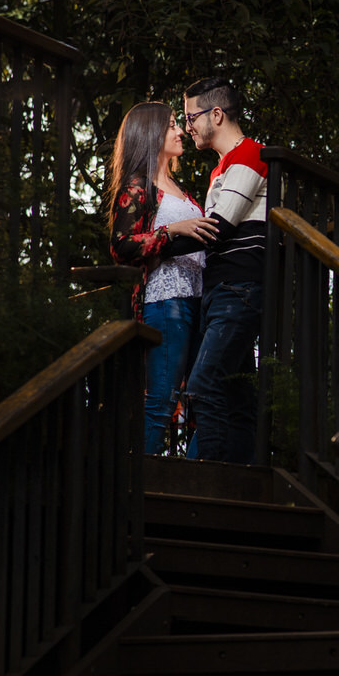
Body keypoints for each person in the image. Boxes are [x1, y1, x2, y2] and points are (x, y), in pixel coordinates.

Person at [106, 101, 218, 454]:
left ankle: (192, 479)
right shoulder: (138, 186)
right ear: (151, 133)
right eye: (171, 125)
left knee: (205, 399)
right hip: (165, 301)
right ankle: (138, 488)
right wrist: (170, 231)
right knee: (161, 401)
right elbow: (121, 245)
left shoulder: (177, 186)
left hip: (197, 299)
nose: (180, 130)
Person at [181, 77, 268, 464]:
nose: (188, 127)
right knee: (235, 393)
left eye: (191, 117)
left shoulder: (251, 154)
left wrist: (159, 240)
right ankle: (241, 481)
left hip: (239, 288)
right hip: (221, 290)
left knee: (204, 385)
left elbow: (219, 227)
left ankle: (211, 482)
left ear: (216, 114)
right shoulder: (221, 169)